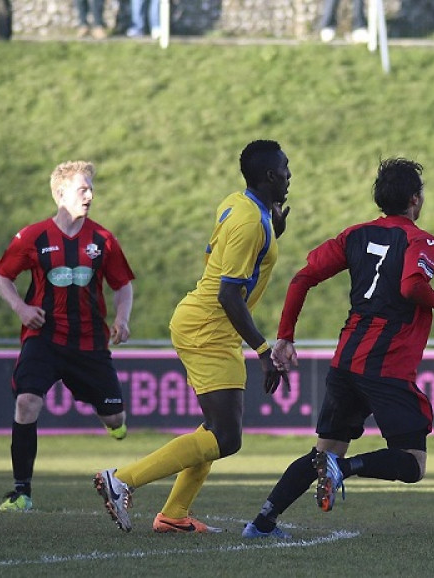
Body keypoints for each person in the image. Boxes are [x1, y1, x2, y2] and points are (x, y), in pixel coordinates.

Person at [241, 157, 434, 540]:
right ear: (415, 199)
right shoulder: (421, 240)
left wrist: (286, 336)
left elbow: (303, 278)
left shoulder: (355, 235)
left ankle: (262, 523)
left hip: (346, 360)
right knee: (413, 463)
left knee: (323, 452)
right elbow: (411, 287)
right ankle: (342, 471)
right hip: (386, 365)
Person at [94, 140, 290, 534]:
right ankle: (122, 480)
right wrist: (263, 350)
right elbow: (228, 293)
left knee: (215, 428)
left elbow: (236, 263)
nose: (290, 175)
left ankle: (174, 515)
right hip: (210, 327)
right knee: (227, 436)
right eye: (286, 169)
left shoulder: (243, 205)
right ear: (270, 176)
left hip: (207, 323)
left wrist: (273, 226)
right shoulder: (250, 222)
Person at [0, 160, 135, 512]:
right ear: (60, 194)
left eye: (91, 188)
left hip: (89, 343)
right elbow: (2, 277)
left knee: (115, 419)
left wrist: (122, 318)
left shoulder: (103, 239)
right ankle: (21, 492)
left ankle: (111, 419)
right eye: (82, 188)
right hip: (44, 337)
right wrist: (21, 310)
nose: (90, 194)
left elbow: (123, 284)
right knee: (27, 401)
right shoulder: (33, 237)